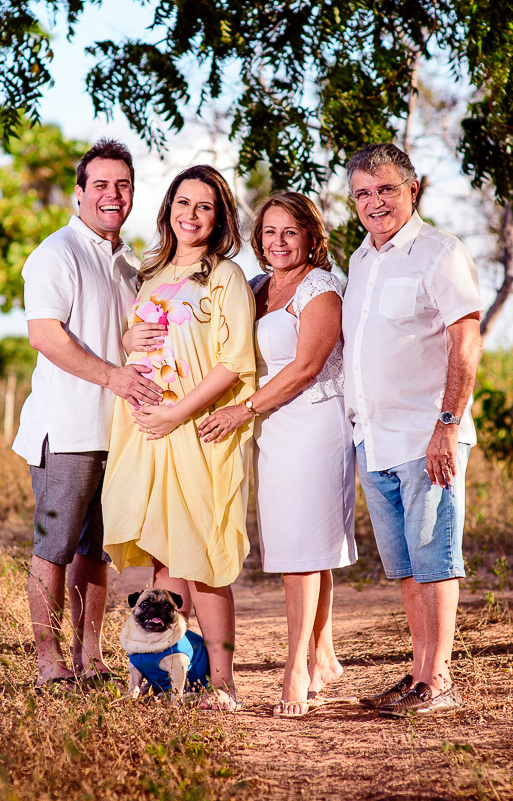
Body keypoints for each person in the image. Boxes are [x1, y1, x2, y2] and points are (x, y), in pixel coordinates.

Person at [102, 164, 256, 712]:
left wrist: (176, 415)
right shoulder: (153, 271)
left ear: (219, 219)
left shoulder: (226, 277)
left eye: (205, 207)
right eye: (183, 203)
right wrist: (127, 336)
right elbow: (144, 339)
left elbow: (231, 365)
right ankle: (178, 677)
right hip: (146, 431)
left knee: (206, 557)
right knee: (166, 557)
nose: (191, 215)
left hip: (194, 428)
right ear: (168, 207)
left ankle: (224, 683)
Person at [11, 139, 164, 690]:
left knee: (96, 551)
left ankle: (90, 656)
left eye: (121, 185)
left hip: (118, 433)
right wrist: (114, 377)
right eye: (99, 184)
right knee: (53, 546)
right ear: (79, 193)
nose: (112, 194)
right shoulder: (55, 254)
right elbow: (45, 335)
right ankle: (48, 661)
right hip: (67, 429)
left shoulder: (129, 263)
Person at [199, 192, 356, 718]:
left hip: (314, 421)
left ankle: (295, 668)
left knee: (299, 553)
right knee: (308, 547)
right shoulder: (258, 286)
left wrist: (242, 411)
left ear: (312, 236)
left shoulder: (322, 288)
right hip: (273, 424)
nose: (279, 242)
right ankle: (324, 656)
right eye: (269, 232)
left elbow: (306, 367)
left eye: (291, 232)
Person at [342, 143, 484, 717]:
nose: (375, 202)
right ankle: (420, 669)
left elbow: (465, 339)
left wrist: (447, 426)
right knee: (404, 568)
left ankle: (439, 676)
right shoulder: (360, 260)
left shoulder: (439, 253)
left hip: (427, 437)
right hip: (373, 440)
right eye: (363, 193)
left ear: (413, 189)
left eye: (386, 190)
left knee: (434, 560)